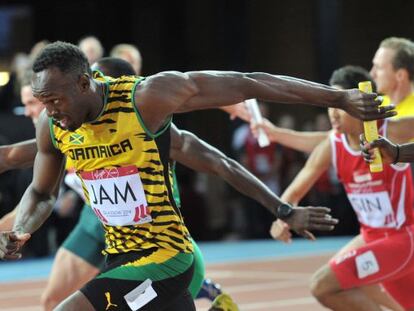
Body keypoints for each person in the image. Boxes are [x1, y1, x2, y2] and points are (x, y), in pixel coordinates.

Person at [0, 41, 390, 310]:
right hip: (118, 259)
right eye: (42, 102)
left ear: (85, 83)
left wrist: (337, 98)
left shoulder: (147, 100)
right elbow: (40, 191)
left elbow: (249, 82)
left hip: (167, 258)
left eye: (54, 100)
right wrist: (23, 229)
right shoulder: (56, 127)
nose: (49, 111)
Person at [261, 66, 414, 311]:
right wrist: (283, 216)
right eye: (331, 103)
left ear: (361, 105)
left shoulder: (391, 131)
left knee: (323, 284)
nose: (333, 112)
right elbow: (296, 189)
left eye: (341, 105)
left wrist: (397, 153)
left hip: (402, 240)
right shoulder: (332, 144)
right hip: (370, 238)